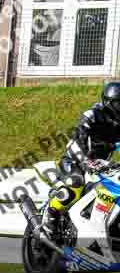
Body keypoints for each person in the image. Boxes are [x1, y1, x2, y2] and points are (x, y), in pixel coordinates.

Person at [44, 83, 120, 232]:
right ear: (109, 102)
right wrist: (86, 161)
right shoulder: (92, 115)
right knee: (76, 183)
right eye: (119, 104)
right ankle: (51, 216)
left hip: (101, 165)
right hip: (75, 161)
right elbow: (77, 139)